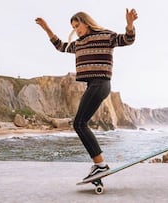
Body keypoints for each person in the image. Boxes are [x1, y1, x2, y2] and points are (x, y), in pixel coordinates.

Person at [35, 8, 138, 180]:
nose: (76, 29)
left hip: (101, 83)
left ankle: (101, 165)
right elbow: (60, 46)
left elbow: (127, 40)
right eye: (74, 27)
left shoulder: (105, 36)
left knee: (79, 123)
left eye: (78, 25)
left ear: (86, 22)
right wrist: (47, 29)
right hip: (93, 85)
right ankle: (100, 165)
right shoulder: (79, 44)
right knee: (80, 123)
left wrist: (129, 24)